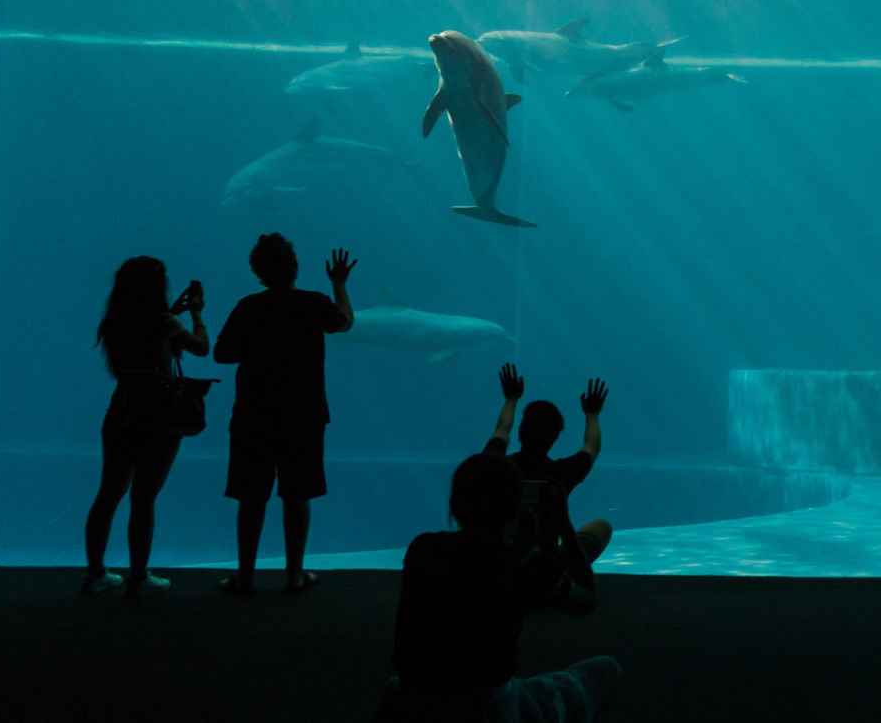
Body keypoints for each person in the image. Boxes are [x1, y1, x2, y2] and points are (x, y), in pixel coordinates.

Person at [375, 451, 622, 722]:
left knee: (393, 689)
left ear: (453, 503)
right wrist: (562, 522)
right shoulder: (525, 562)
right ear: (517, 507)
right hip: (490, 707)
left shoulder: (422, 549)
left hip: (414, 697)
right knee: (606, 671)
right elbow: (587, 600)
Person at [212, 234, 355, 596]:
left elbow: (222, 355)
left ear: (258, 272)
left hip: (253, 415)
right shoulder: (314, 303)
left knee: (251, 496)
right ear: (295, 267)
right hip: (303, 415)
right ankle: (294, 574)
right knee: (297, 494)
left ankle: (245, 577)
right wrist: (339, 283)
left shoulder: (248, 307)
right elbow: (344, 323)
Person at [85, 256, 210, 597]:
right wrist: (196, 314)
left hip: (121, 409)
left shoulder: (114, 321)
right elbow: (201, 348)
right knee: (144, 496)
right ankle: (138, 577)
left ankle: (96, 573)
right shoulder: (163, 321)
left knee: (109, 493)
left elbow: (144, 341)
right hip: (159, 414)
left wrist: (174, 314)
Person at [485, 363, 612, 564]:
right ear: (554, 439)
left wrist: (511, 399)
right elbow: (592, 445)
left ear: (521, 432)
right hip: (545, 565)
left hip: (496, 560)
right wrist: (592, 414)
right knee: (602, 527)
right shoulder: (562, 474)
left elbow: (502, 428)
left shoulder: (494, 465)